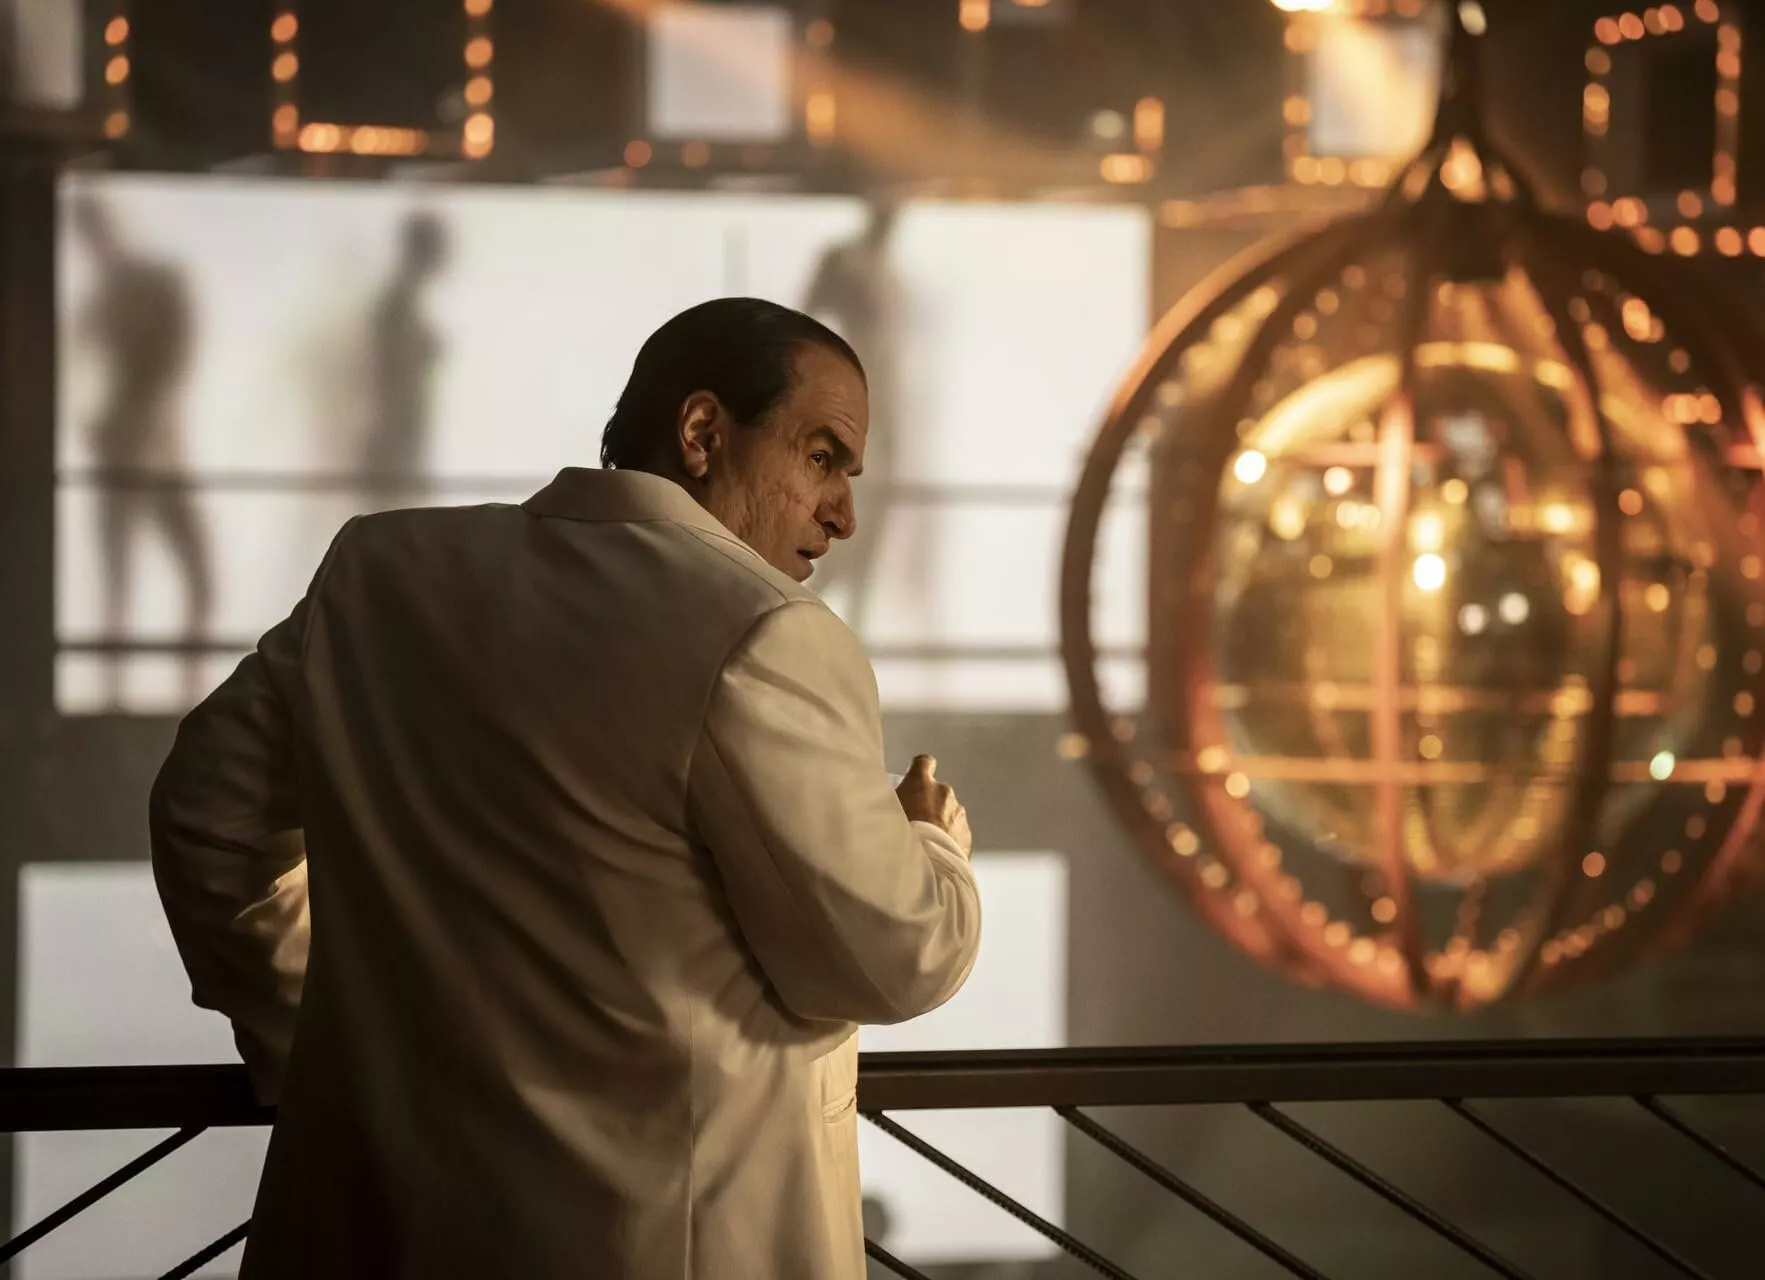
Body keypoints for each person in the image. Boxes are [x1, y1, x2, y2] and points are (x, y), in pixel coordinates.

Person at [149, 297, 982, 1280]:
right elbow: (898, 958)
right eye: (822, 457)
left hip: (370, 1232)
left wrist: (333, 1050)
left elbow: (208, 817)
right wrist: (928, 841)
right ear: (702, 431)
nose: (842, 514)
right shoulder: (765, 632)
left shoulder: (379, 572)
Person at [71, 194, 213, 706]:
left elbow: (177, 355)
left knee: (194, 580)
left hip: (153, 451)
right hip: (127, 452)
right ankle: (120, 698)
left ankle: (189, 695)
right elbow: (76, 367)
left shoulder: (154, 284)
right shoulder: (107, 300)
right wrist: (96, 423)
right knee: (120, 583)